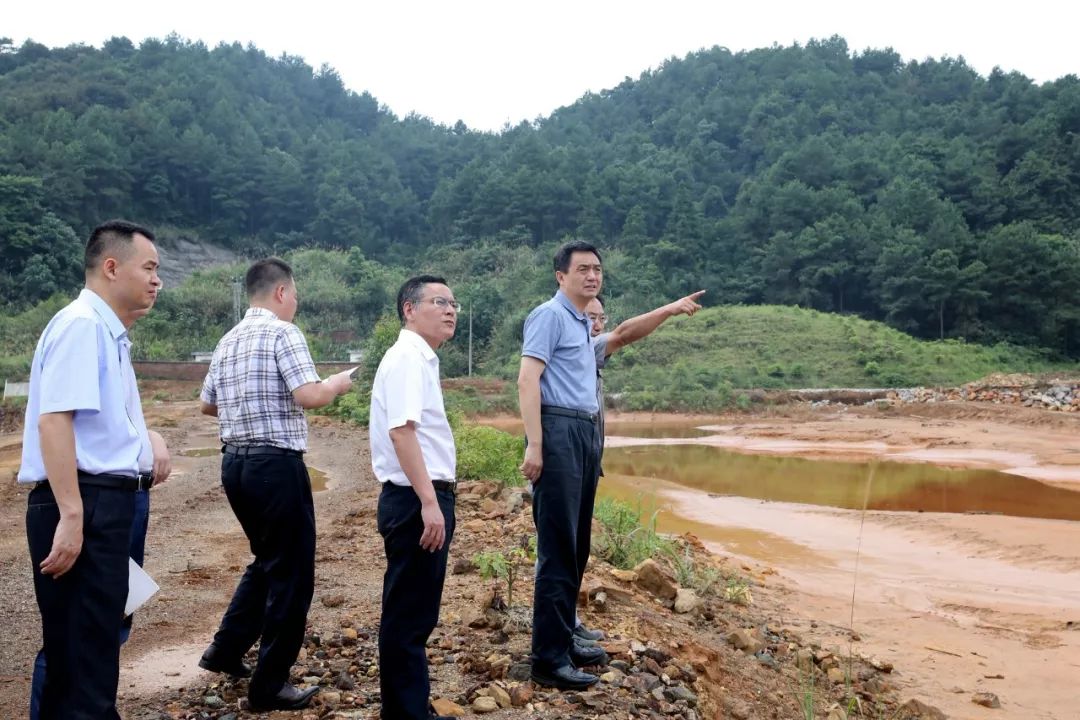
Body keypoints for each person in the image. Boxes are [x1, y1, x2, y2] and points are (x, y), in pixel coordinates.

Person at [19, 219, 165, 719]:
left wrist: (149, 445)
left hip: (106, 500)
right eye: (148, 267)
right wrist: (73, 516)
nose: (156, 280)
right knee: (83, 656)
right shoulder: (82, 326)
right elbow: (54, 421)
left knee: (88, 651)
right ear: (110, 267)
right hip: (88, 500)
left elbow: (96, 423)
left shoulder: (108, 334)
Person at [197, 257, 353, 712]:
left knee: (268, 560)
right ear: (282, 292)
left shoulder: (228, 340)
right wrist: (338, 384)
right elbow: (310, 395)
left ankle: (225, 651)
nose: (296, 304)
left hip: (236, 467)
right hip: (275, 465)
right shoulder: (284, 333)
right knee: (292, 575)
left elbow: (208, 405)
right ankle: (269, 687)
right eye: (296, 296)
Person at [563, 291, 704, 646]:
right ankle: (558, 629)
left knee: (576, 548)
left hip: (584, 460)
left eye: (600, 319)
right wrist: (670, 309)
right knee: (562, 549)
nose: (596, 326)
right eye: (589, 318)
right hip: (565, 463)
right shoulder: (581, 347)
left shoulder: (588, 355)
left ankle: (567, 620)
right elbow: (626, 334)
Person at [518, 240, 610, 690]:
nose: (592, 277)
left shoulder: (581, 323)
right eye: (582, 270)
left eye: (597, 270)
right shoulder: (549, 316)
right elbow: (527, 379)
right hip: (557, 430)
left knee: (577, 545)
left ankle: (565, 639)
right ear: (561, 276)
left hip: (583, 431)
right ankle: (548, 659)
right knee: (557, 546)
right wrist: (535, 444)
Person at [369, 275, 460, 720]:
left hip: (416, 497)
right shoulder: (407, 357)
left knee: (413, 611)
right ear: (409, 309)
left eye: (454, 303)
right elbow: (402, 433)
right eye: (439, 302)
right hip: (414, 500)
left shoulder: (421, 359)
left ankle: (407, 706)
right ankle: (406, 713)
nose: (451, 310)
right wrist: (429, 502)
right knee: (409, 616)